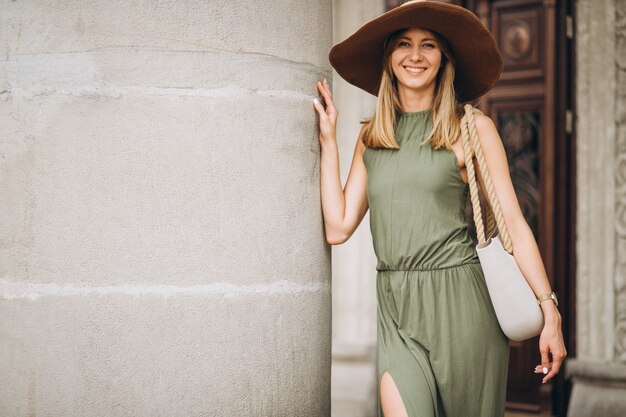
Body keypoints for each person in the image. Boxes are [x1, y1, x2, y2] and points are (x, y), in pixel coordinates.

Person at [312, 1, 567, 416]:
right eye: (404, 44)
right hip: (396, 305)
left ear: (444, 59)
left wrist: (549, 310)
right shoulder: (371, 137)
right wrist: (328, 143)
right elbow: (338, 227)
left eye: (428, 45)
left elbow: (515, 226)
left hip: (461, 306)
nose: (415, 55)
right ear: (388, 57)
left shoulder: (471, 128)